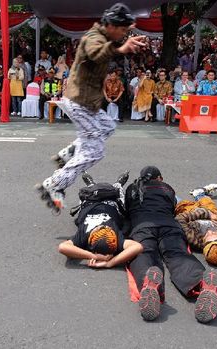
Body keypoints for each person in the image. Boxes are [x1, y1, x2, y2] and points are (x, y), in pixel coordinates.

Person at [38, 2, 147, 213]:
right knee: (94, 152)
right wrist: (122, 47)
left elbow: (108, 46)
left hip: (88, 103)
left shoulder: (105, 36)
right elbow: (96, 52)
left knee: (108, 126)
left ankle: (70, 151)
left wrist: (126, 41)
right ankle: (54, 185)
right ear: (111, 26)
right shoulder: (93, 38)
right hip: (80, 103)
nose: (124, 34)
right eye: (122, 30)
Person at [126, 166, 217, 323]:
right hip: (170, 226)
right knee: (178, 255)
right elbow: (174, 208)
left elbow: (128, 212)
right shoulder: (167, 189)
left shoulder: (132, 189)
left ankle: (148, 284)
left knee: (143, 253)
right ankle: (202, 283)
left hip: (142, 227)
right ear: (160, 178)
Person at [57, 171, 143, 268]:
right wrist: (109, 263)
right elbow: (137, 247)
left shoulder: (84, 236)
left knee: (90, 193)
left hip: (89, 202)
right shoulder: (115, 239)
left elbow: (62, 247)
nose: (104, 226)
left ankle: (91, 185)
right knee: (117, 192)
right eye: (108, 229)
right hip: (111, 203)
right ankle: (118, 184)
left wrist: (92, 256)